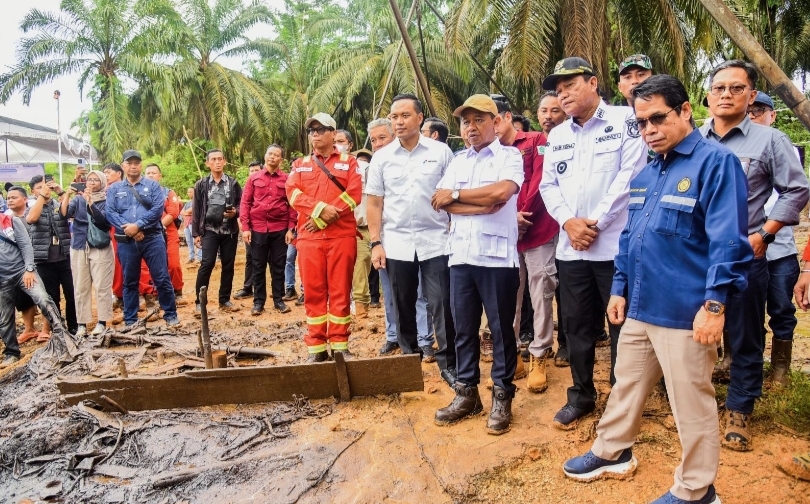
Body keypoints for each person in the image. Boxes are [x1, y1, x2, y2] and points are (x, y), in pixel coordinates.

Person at [563, 73, 752, 504]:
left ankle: (697, 490)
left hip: (687, 312)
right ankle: (612, 452)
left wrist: (715, 305)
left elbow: (728, 241)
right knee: (626, 383)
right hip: (642, 306)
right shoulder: (647, 173)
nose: (649, 129)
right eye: (641, 122)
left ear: (685, 111)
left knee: (692, 403)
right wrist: (620, 287)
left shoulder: (715, 163)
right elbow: (631, 237)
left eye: (657, 118)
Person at [700, 60, 809, 451]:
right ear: (708, 96)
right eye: (718, 88)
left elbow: (797, 190)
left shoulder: (770, 140)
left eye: (735, 88)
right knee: (698, 333)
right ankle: (696, 407)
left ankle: (740, 410)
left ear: (750, 95)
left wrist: (765, 233)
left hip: (745, 256)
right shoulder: (694, 140)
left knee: (745, 336)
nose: (726, 94)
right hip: (697, 258)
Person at [538, 57, 647, 429]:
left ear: (594, 82)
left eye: (570, 85)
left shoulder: (625, 121)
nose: (563, 94)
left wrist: (594, 223)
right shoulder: (557, 136)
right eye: (558, 89)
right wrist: (569, 223)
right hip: (572, 250)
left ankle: (621, 401)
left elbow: (630, 177)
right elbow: (547, 186)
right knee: (576, 326)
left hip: (616, 248)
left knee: (623, 327)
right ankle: (582, 395)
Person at [431, 94, 523, 434]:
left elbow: (501, 194)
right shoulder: (457, 162)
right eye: (465, 121)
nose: (471, 127)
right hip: (461, 257)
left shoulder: (510, 156)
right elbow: (440, 201)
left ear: (495, 122)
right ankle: (467, 393)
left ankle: (502, 395)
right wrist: (477, 203)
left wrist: (457, 196)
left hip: (497, 259)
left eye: (479, 120)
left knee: (501, 331)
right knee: (463, 329)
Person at [366, 94, 455, 379]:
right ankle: (409, 363)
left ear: (419, 118)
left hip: (436, 241)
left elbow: (452, 196)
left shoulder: (440, 153)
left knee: (442, 304)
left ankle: (448, 365)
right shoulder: (381, 158)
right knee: (401, 304)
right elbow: (375, 203)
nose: (399, 121)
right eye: (394, 117)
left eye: (405, 115)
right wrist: (376, 243)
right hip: (397, 244)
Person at [492, 97, 558, 393]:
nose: (487, 126)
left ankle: (539, 354)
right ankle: (513, 354)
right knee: (508, 296)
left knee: (541, 291)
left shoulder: (535, 140)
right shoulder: (485, 152)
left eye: (492, 118)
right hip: (502, 236)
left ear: (507, 117)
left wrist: (518, 216)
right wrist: (508, 220)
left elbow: (541, 182)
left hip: (537, 230)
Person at [287, 113, 362, 361]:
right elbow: (293, 193)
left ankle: (340, 346)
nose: (315, 134)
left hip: (341, 236)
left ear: (333, 133)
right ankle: (316, 349)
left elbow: (354, 195)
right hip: (309, 241)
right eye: (311, 130)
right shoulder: (300, 165)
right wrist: (319, 210)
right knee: (313, 292)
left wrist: (321, 218)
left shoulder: (349, 162)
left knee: (340, 290)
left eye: (321, 129)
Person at [367, 118, 434, 357]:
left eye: (381, 138)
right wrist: (376, 242)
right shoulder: (378, 164)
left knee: (418, 294)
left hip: (419, 238)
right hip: (387, 240)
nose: (377, 144)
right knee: (392, 292)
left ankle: (425, 339)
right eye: (373, 140)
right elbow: (373, 204)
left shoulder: (419, 158)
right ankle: (393, 336)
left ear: (393, 136)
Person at [748, 91, 800, 386]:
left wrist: (766, 230)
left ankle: (780, 368)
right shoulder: (733, 149)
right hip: (745, 247)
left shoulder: (783, 146)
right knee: (744, 308)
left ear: (772, 115)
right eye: (750, 111)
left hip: (778, 247)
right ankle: (736, 360)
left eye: (759, 111)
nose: (753, 116)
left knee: (781, 306)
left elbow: (790, 196)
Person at [105, 150, 179, 327]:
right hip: (127, 241)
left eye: (136, 163)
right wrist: (130, 229)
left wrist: (138, 225)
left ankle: (170, 314)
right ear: (123, 166)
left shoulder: (152, 186)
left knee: (161, 277)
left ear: (141, 165)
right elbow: (110, 212)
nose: (133, 166)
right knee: (129, 280)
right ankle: (130, 319)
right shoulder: (115, 188)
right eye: (129, 163)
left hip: (152, 237)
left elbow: (157, 209)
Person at [0, 210, 72, 368]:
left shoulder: (11, 221)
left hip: (22, 271)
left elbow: (25, 244)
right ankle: (11, 352)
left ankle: (64, 337)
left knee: (43, 299)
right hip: (2, 279)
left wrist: (29, 269)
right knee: (5, 318)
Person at [241, 145, 296, 315]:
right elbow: (245, 203)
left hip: (279, 229)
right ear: (265, 156)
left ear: (281, 160)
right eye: (270, 154)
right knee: (258, 266)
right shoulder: (253, 178)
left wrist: (290, 229)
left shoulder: (287, 180)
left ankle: (278, 300)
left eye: (276, 155)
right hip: (258, 229)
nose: (272, 157)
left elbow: (292, 206)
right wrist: (245, 228)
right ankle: (258, 303)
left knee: (278, 266)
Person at [26, 175, 78, 337]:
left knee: (71, 294)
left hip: (64, 257)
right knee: (52, 297)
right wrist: (42, 196)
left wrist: (60, 191)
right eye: (39, 188)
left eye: (46, 186)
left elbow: (67, 213)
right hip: (44, 261)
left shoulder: (58, 204)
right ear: (33, 191)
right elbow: (32, 218)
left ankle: (74, 326)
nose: (45, 189)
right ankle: (58, 328)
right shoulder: (33, 207)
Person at [193, 149, 243, 315]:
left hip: (229, 230)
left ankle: (224, 300)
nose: (217, 162)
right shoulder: (201, 184)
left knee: (228, 265)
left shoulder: (233, 183)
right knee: (207, 264)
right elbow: (197, 209)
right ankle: (200, 303)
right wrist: (196, 234)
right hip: (209, 230)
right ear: (207, 163)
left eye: (220, 159)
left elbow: (241, 203)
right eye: (213, 159)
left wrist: (235, 212)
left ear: (225, 161)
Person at [65, 170, 114, 336]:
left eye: (96, 180)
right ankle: (82, 324)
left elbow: (105, 222)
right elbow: (65, 214)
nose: (92, 183)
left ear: (102, 182)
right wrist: (65, 194)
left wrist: (91, 203)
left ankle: (102, 322)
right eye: (89, 180)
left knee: (102, 285)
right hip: (79, 245)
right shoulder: (78, 199)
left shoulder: (107, 200)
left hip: (100, 246)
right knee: (80, 286)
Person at [145, 164, 184, 301]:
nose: (150, 175)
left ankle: (178, 290)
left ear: (159, 176)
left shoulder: (168, 193)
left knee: (173, 264)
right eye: (148, 173)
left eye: (153, 173)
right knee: (154, 266)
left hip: (169, 233)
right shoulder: (140, 193)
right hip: (148, 235)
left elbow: (173, 213)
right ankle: (157, 293)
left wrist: (157, 226)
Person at [4, 186, 39, 343]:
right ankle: (29, 329)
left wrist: (30, 265)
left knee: (43, 296)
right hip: (16, 265)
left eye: (14, 197)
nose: (10, 200)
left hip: (38, 258)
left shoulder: (33, 211)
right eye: (8, 198)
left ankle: (47, 329)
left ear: (25, 199)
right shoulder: (6, 218)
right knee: (22, 298)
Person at [234, 161, 263, 300]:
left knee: (270, 258)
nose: (254, 173)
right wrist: (243, 224)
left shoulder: (266, 185)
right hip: (250, 228)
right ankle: (248, 287)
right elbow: (242, 207)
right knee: (250, 257)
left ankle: (279, 290)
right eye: (251, 170)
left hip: (265, 228)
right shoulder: (246, 187)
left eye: (256, 170)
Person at [181, 187, 202, 264]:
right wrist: (187, 212)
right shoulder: (187, 203)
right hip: (186, 224)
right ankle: (191, 257)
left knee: (196, 240)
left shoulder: (198, 202)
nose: (189, 193)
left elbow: (192, 210)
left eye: (191, 192)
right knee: (189, 241)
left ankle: (199, 257)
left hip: (194, 223)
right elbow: (182, 212)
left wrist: (187, 212)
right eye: (188, 192)